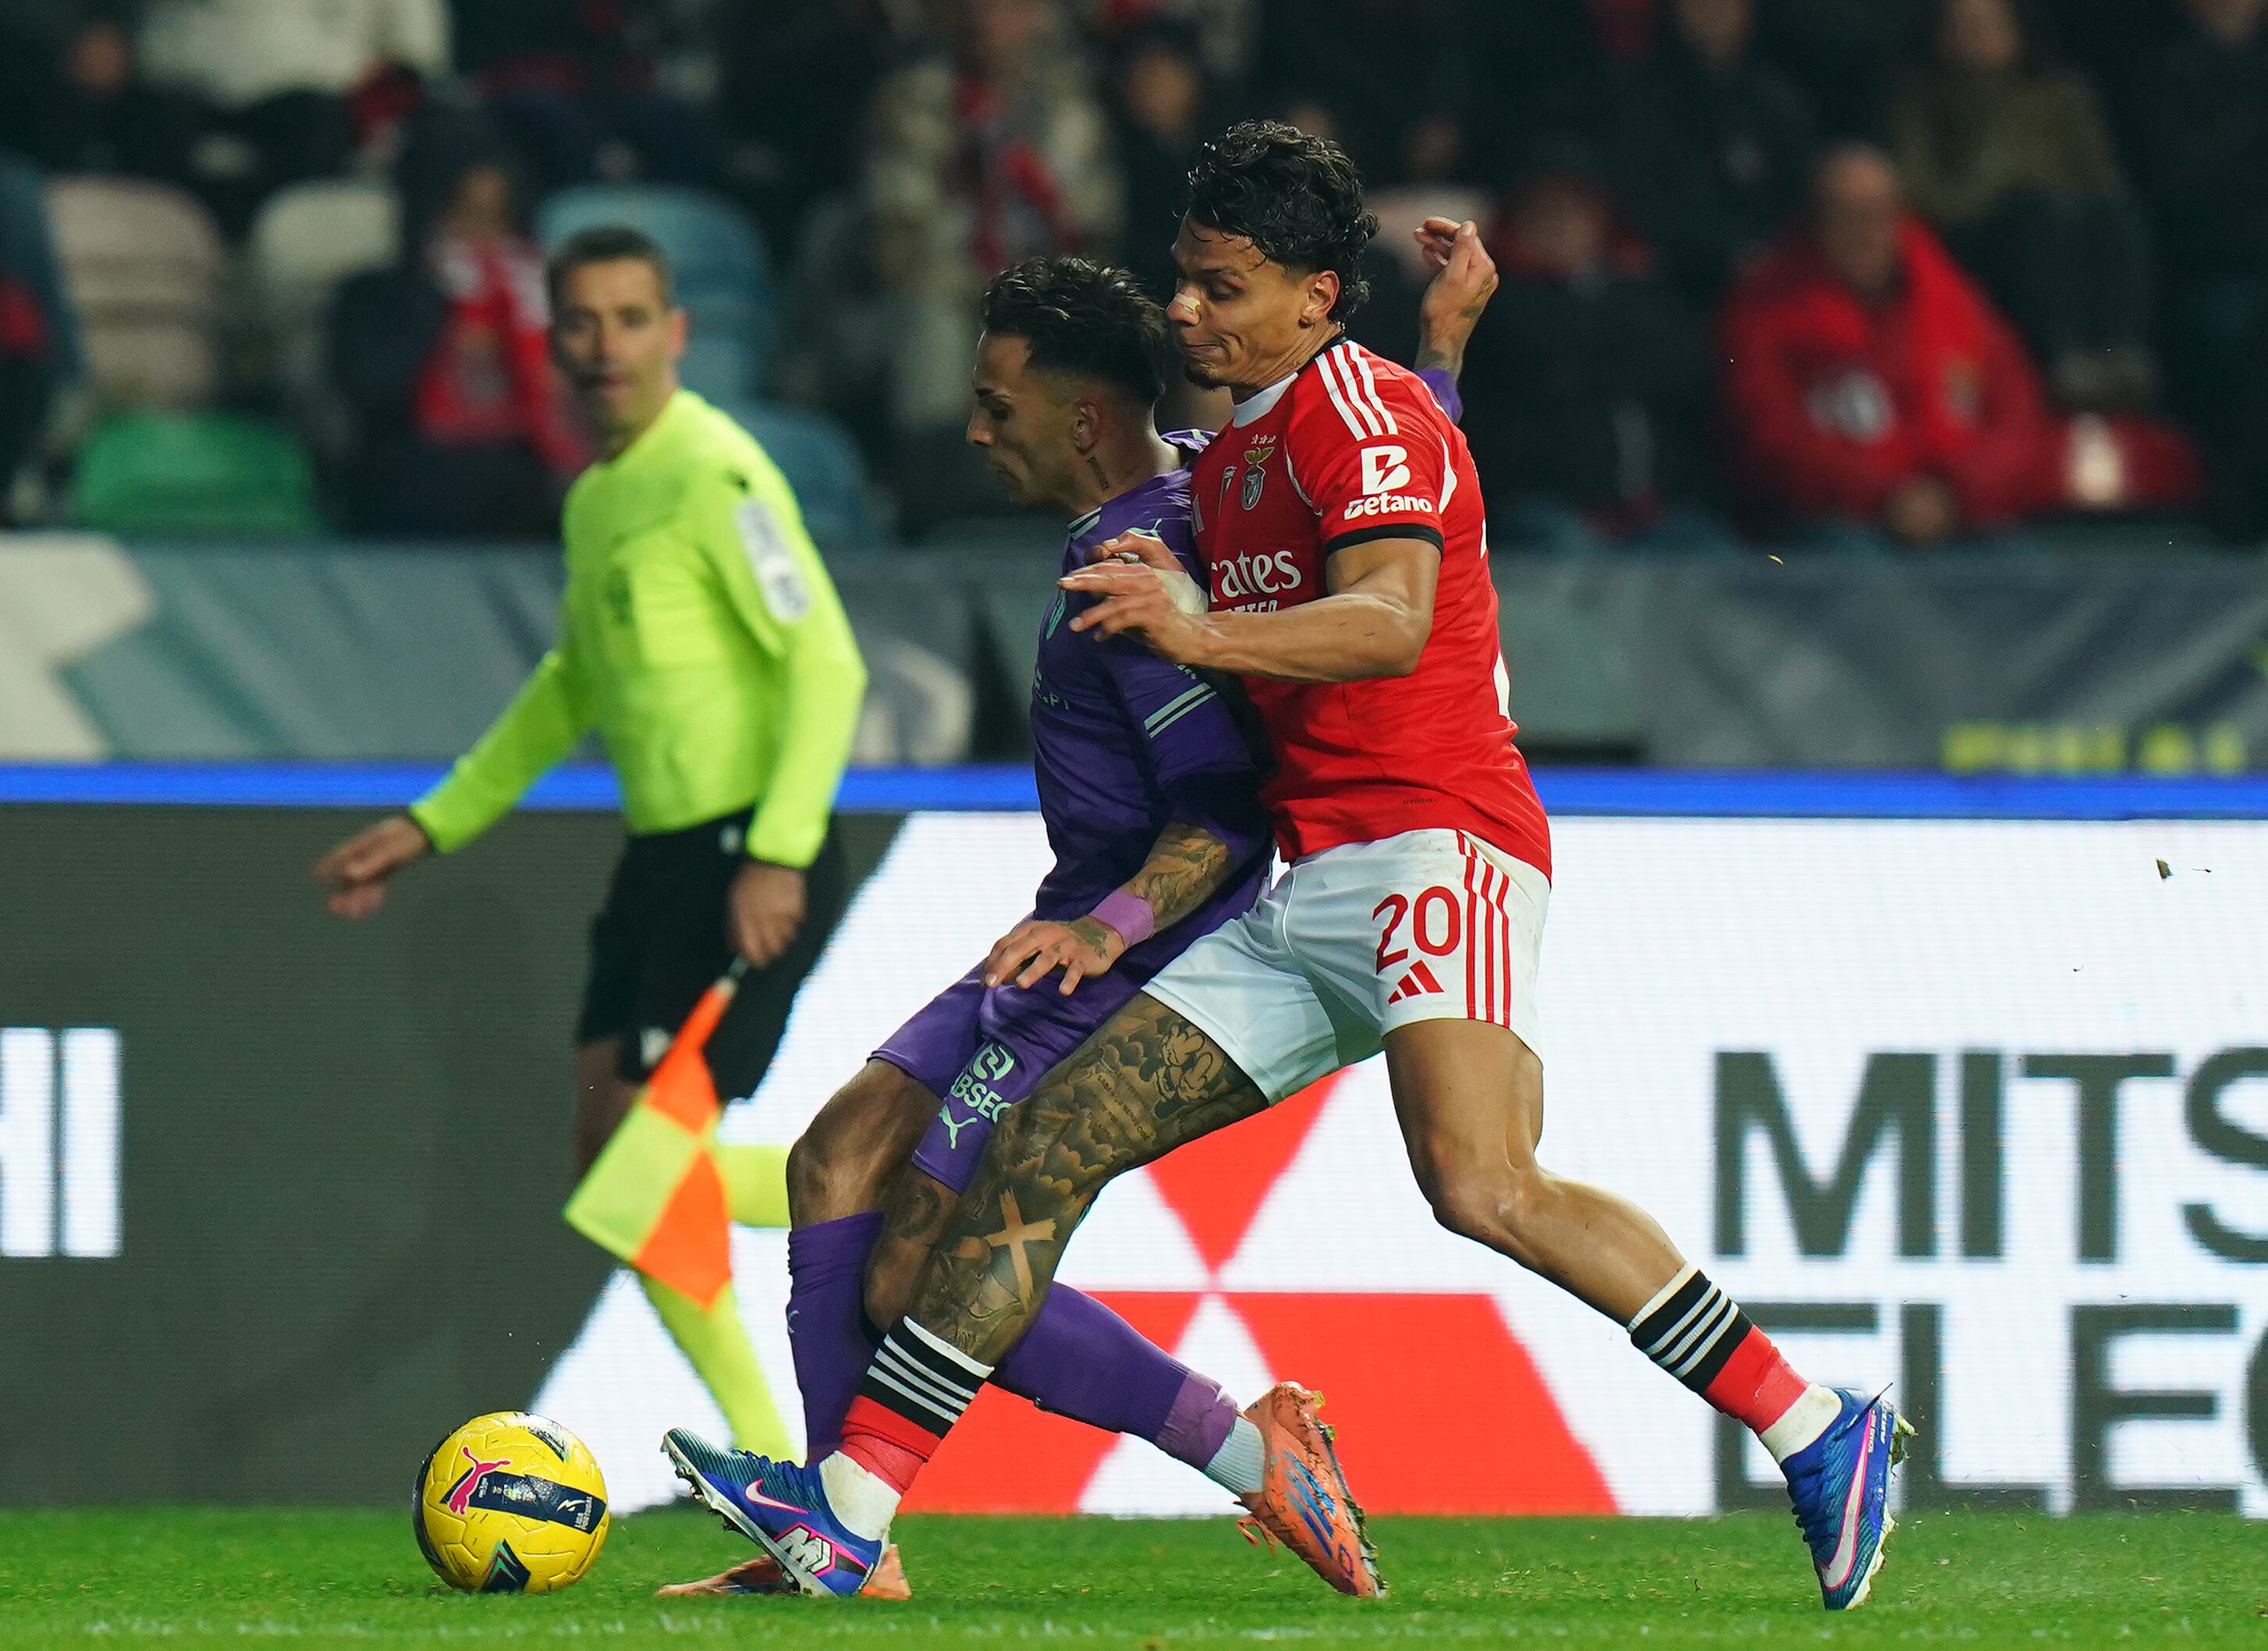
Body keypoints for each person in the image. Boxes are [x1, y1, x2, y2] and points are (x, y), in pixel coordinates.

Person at [663, 121, 1910, 1613]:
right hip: (1312, 878)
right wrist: (1444, 353)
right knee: (1046, 1147)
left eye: (1222, 288)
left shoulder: (1347, 412)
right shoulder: (1251, 442)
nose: (1184, 313)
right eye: (1185, 282)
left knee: (1479, 1182)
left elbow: (1387, 615)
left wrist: (1199, 632)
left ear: (1318, 294)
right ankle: (852, 1515)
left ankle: (1815, 1424)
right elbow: (1408, 466)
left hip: (1433, 844)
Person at [661, 230, 1496, 1601]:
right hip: (1066, 923)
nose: (976, 431)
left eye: (999, 406)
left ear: (1087, 418)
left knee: (908, 1277)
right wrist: (1446, 353)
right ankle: (834, 1537)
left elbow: (1222, 817)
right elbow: (1407, 466)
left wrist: (1108, 931)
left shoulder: (1139, 561)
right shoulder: (1196, 514)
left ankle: (1235, 1455)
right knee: (833, 1161)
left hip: (1132, 950)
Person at [311, 225, 867, 1463]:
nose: (604, 345)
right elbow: (571, 685)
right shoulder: (600, 497)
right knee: (612, 1161)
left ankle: (886, 1216)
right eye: (580, 321)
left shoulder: (716, 475)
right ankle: (784, 1466)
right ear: (550, 340)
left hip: (742, 857)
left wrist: (774, 852)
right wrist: (430, 824)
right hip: (658, 865)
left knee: (633, 1181)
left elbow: (825, 662)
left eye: (629, 318)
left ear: (675, 332)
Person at [1719, 144, 2056, 547]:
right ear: (1814, 223)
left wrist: (1955, 493)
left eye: (1878, 213)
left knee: (2022, 570)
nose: (1864, 231)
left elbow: (2017, 417)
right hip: (1840, 521)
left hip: (1960, 514)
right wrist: (1883, 495)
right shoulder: (1767, 309)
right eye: (1845, 216)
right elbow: (1770, 435)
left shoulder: (1955, 301)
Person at [1889, 0, 2156, 410]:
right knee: (2037, 215)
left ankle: (2117, 352)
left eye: (1987, 27)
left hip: (2070, 237)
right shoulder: (1922, 102)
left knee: (2111, 216)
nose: (1975, 39)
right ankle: (2061, 358)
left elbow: (2100, 181)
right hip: (1977, 240)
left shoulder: (2063, 98)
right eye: (1962, 28)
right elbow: (1929, 199)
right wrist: (2002, 165)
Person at [330, 117, 583, 537]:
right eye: (469, 218)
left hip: (532, 486)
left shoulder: (550, 312)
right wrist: (447, 329)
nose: (484, 241)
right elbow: (374, 404)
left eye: (497, 221)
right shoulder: (378, 297)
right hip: (420, 483)